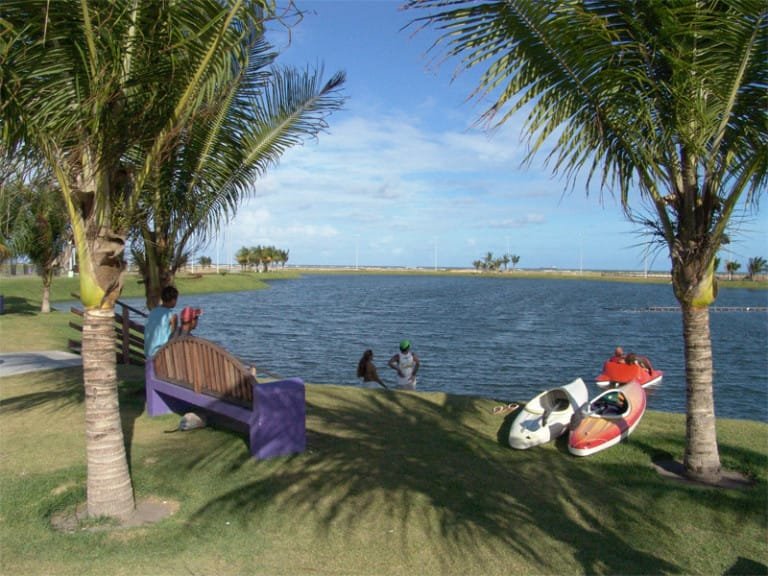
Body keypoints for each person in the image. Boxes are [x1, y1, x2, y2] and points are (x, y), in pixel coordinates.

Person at [144, 286, 179, 358]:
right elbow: (174, 337)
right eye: (176, 299)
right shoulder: (171, 316)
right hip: (162, 353)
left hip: (149, 352)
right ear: (173, 300)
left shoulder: (153, 312)